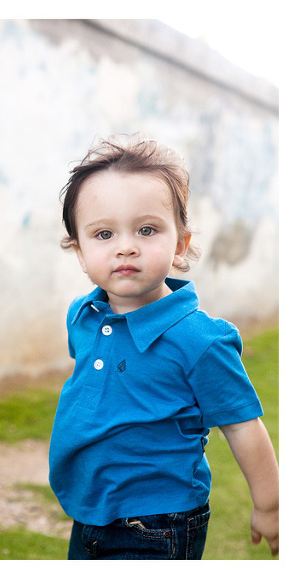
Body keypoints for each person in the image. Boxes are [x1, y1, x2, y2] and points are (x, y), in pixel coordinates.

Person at [48, 135, 279, 560]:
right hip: (90, 511)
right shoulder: (83, 317)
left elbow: (244, 426)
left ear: (180, 245)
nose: (126, 246)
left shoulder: (198, 340)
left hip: (159, 523)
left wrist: (271, 505)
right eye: (103, 234)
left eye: (147, 229)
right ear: (80, 252)